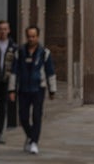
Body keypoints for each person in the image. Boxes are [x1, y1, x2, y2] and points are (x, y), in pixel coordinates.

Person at [7, 26, 57, 155]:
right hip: (23, 88)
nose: (31, 39)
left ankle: (34, 142)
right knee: (23, 117)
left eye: (33, 36)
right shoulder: (20, 52)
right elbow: (14, 71)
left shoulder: (44, 53)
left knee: (36, 115)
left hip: (38, 88)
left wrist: (52, 90)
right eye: (29, 36)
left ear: (38, 36)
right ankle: (30, 135)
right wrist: (11, 89)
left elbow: (50, 72)